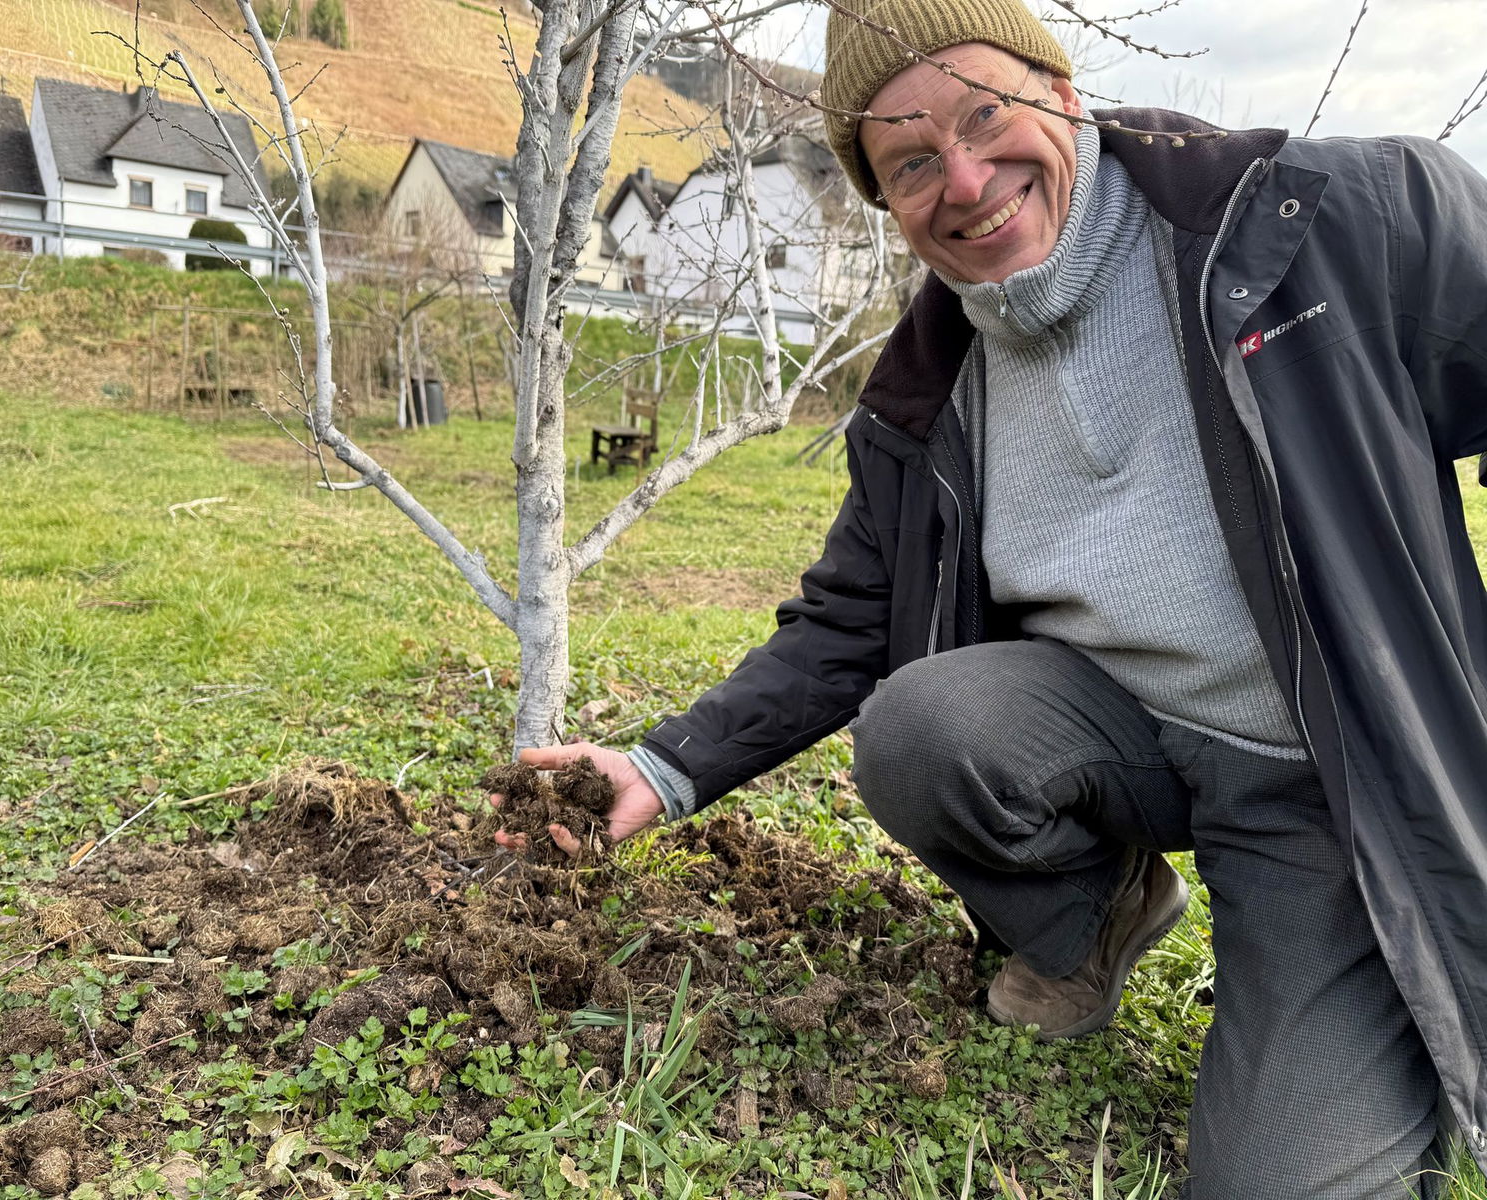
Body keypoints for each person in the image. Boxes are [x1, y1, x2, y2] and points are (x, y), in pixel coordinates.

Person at [492, 1, 1487, 1195]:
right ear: (883, 198)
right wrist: (660, 769)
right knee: (923, 727)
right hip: (1129, 737)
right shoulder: (924, 393)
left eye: (984, 116)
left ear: (1061, 94)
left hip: (1333, 787)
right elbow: (849, 621)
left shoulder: (1315, 223)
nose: (965, 179)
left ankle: (1348, 1004)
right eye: (911, 160)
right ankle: (1097, 915)